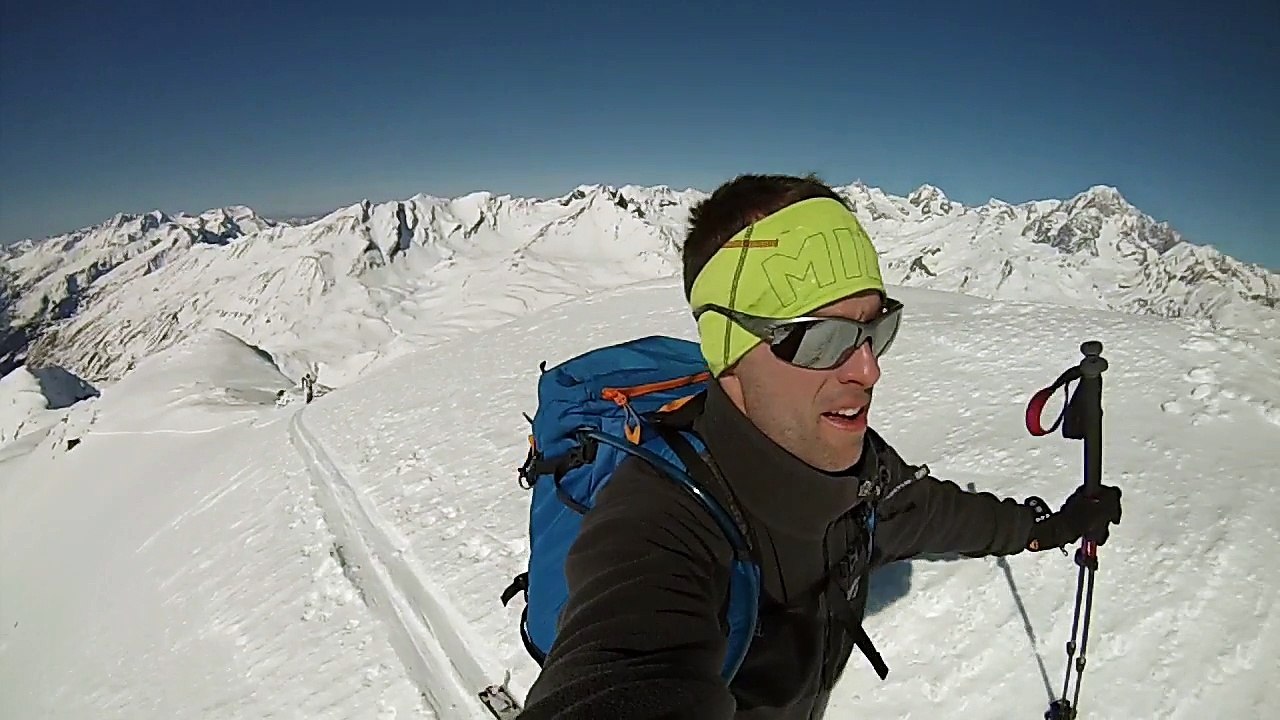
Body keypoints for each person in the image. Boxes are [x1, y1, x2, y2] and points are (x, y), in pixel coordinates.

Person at [515, 173, 1122, 720]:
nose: (867, 369)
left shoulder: (860, 473)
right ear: (729, 348)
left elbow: (926, 514)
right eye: (819, 338)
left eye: (875, 329)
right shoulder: (659, 519)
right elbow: (623, 660)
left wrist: (1041, 528)